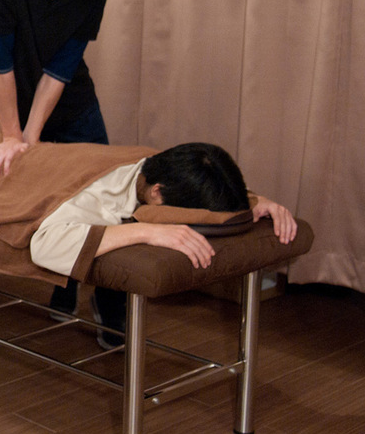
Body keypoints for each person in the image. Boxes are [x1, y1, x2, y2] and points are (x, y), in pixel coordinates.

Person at [0, 0, 123, 337]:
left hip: (72, 101)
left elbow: (63, 66)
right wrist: (13, 137)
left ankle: (112, 307)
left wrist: (33, 138)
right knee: (42, 197)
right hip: (12, 100)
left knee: (104, 199)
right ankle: (62, 285)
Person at [30, 143, 297, 347]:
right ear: (157, 192)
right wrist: (146, 232)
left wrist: (251, 200)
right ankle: (79, 296)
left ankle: (104, 305)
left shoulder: (165, 166)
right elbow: (44, 246)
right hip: (35, 167)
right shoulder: (99, 198)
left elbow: (209, 175)